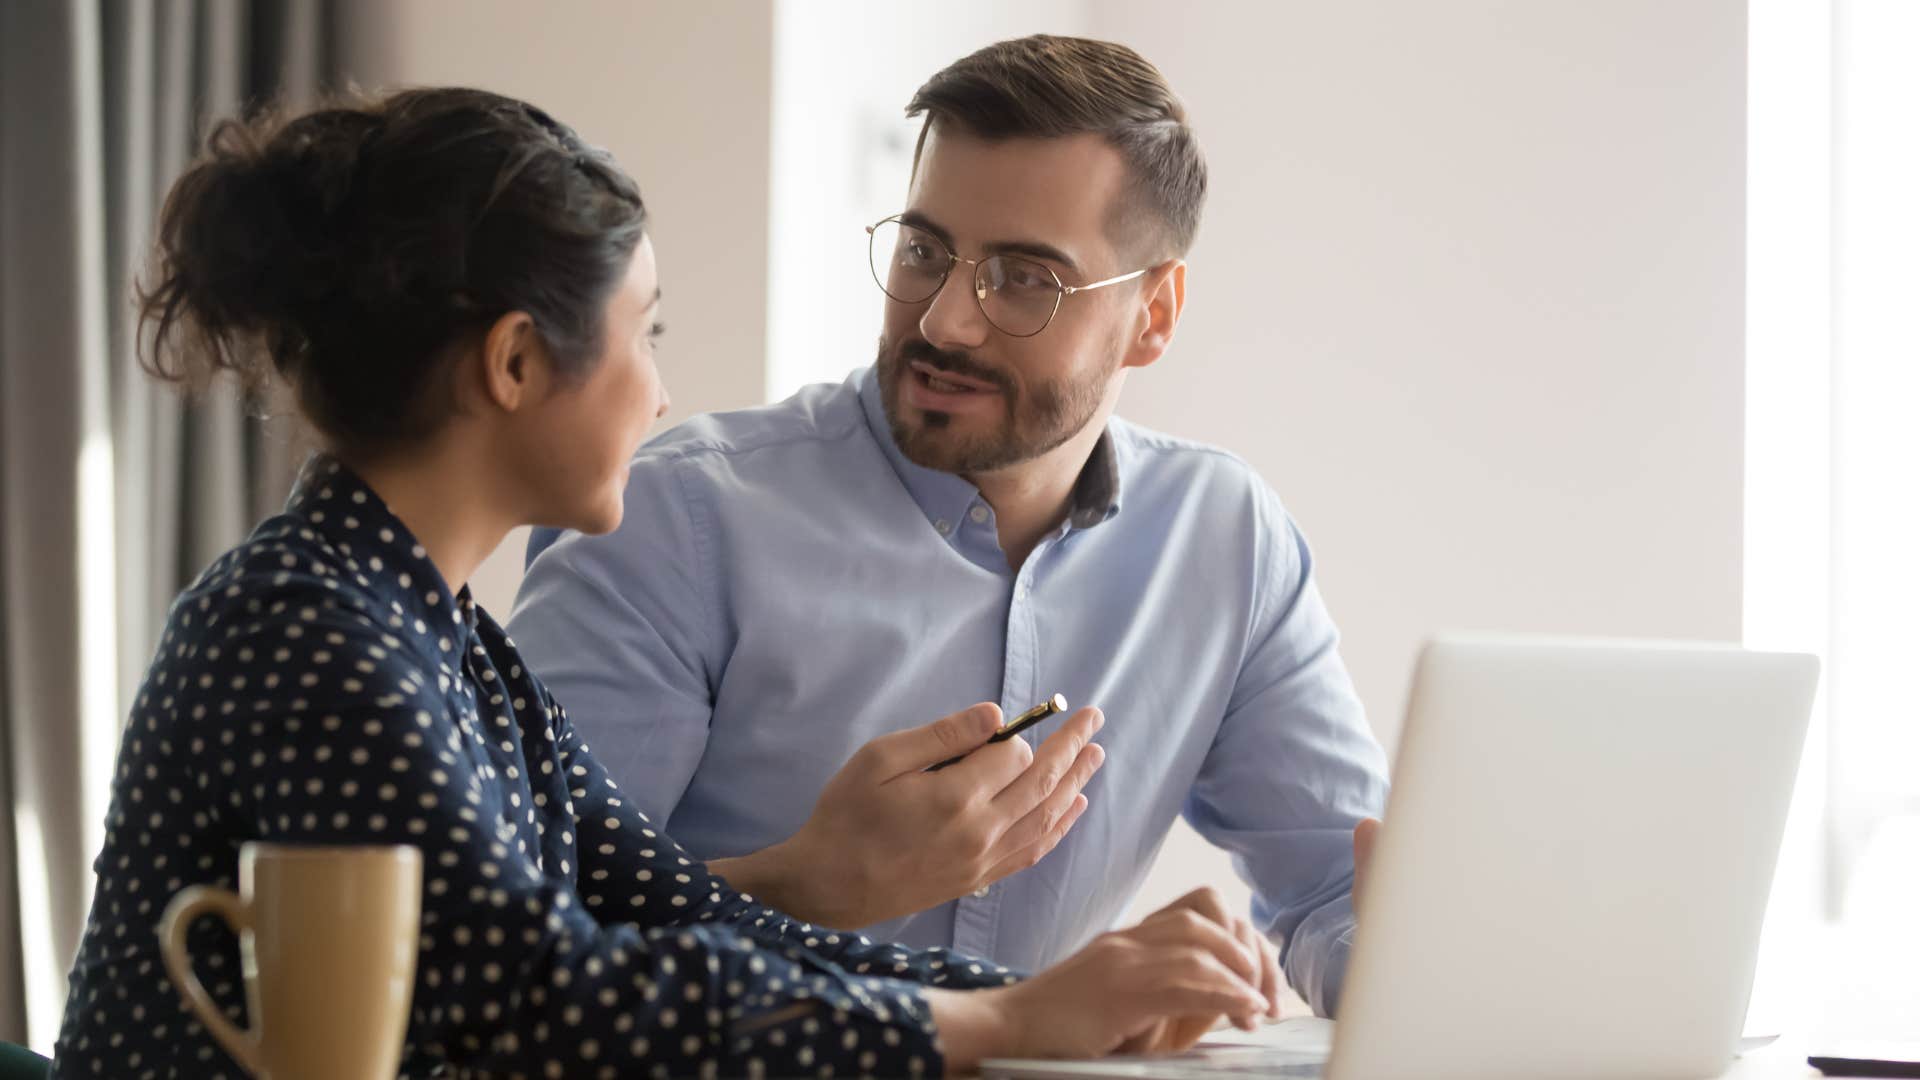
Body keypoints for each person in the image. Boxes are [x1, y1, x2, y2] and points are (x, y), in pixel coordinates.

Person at [51, 87, 1289, 1079]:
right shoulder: (309, 633)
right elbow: (545, 1001)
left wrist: (1036, 1000)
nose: (658, 390)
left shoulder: (448, 646)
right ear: (521, 364)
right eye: (644, 333)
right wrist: (997, 1030)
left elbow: (677, 909)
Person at [509, 34, 1390, 1016]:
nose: (943, 323)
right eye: (925, 251)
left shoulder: (1225, 539)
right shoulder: (668, 520)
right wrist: (814, 885)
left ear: (1155, 313)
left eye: (1024, 278)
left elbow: (1341, 893)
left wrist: (1446, 979)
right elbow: (518, 953)